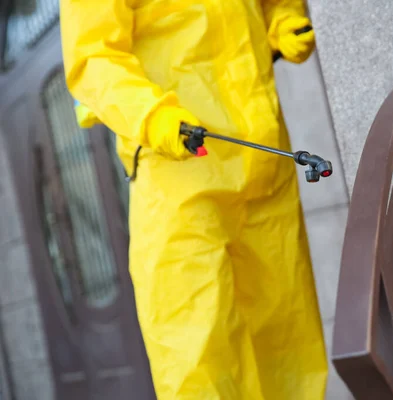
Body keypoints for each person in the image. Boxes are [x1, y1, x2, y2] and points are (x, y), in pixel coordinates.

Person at [59, 1, 328, 399]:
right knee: (198, 351)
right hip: (177, 168)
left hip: (263, 162)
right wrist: (152, 116)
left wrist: (283, 20)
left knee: (287, 340)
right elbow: (93, 57)